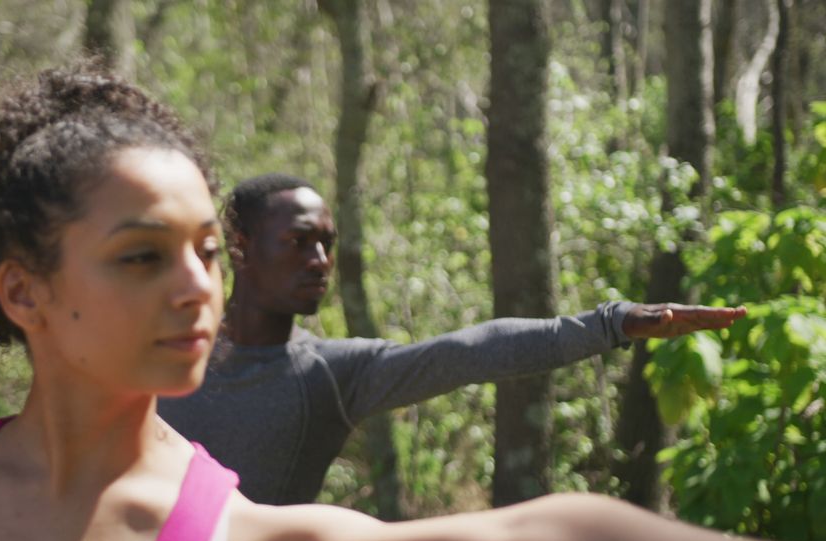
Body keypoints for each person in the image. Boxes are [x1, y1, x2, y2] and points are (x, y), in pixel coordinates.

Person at [0, 62, 820, 541]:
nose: (194, 286)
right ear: (22, 290)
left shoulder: (253, 530)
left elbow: (553, 526)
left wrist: (616, 321)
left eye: (205, 252)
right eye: (143, 256)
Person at [158, 173, 748, 505]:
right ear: (238, 246)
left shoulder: (331, 375)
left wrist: (612, 323)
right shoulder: (154, 349)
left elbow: (472, 351)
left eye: (327, 244)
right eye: (298, 241)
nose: (319, 261)